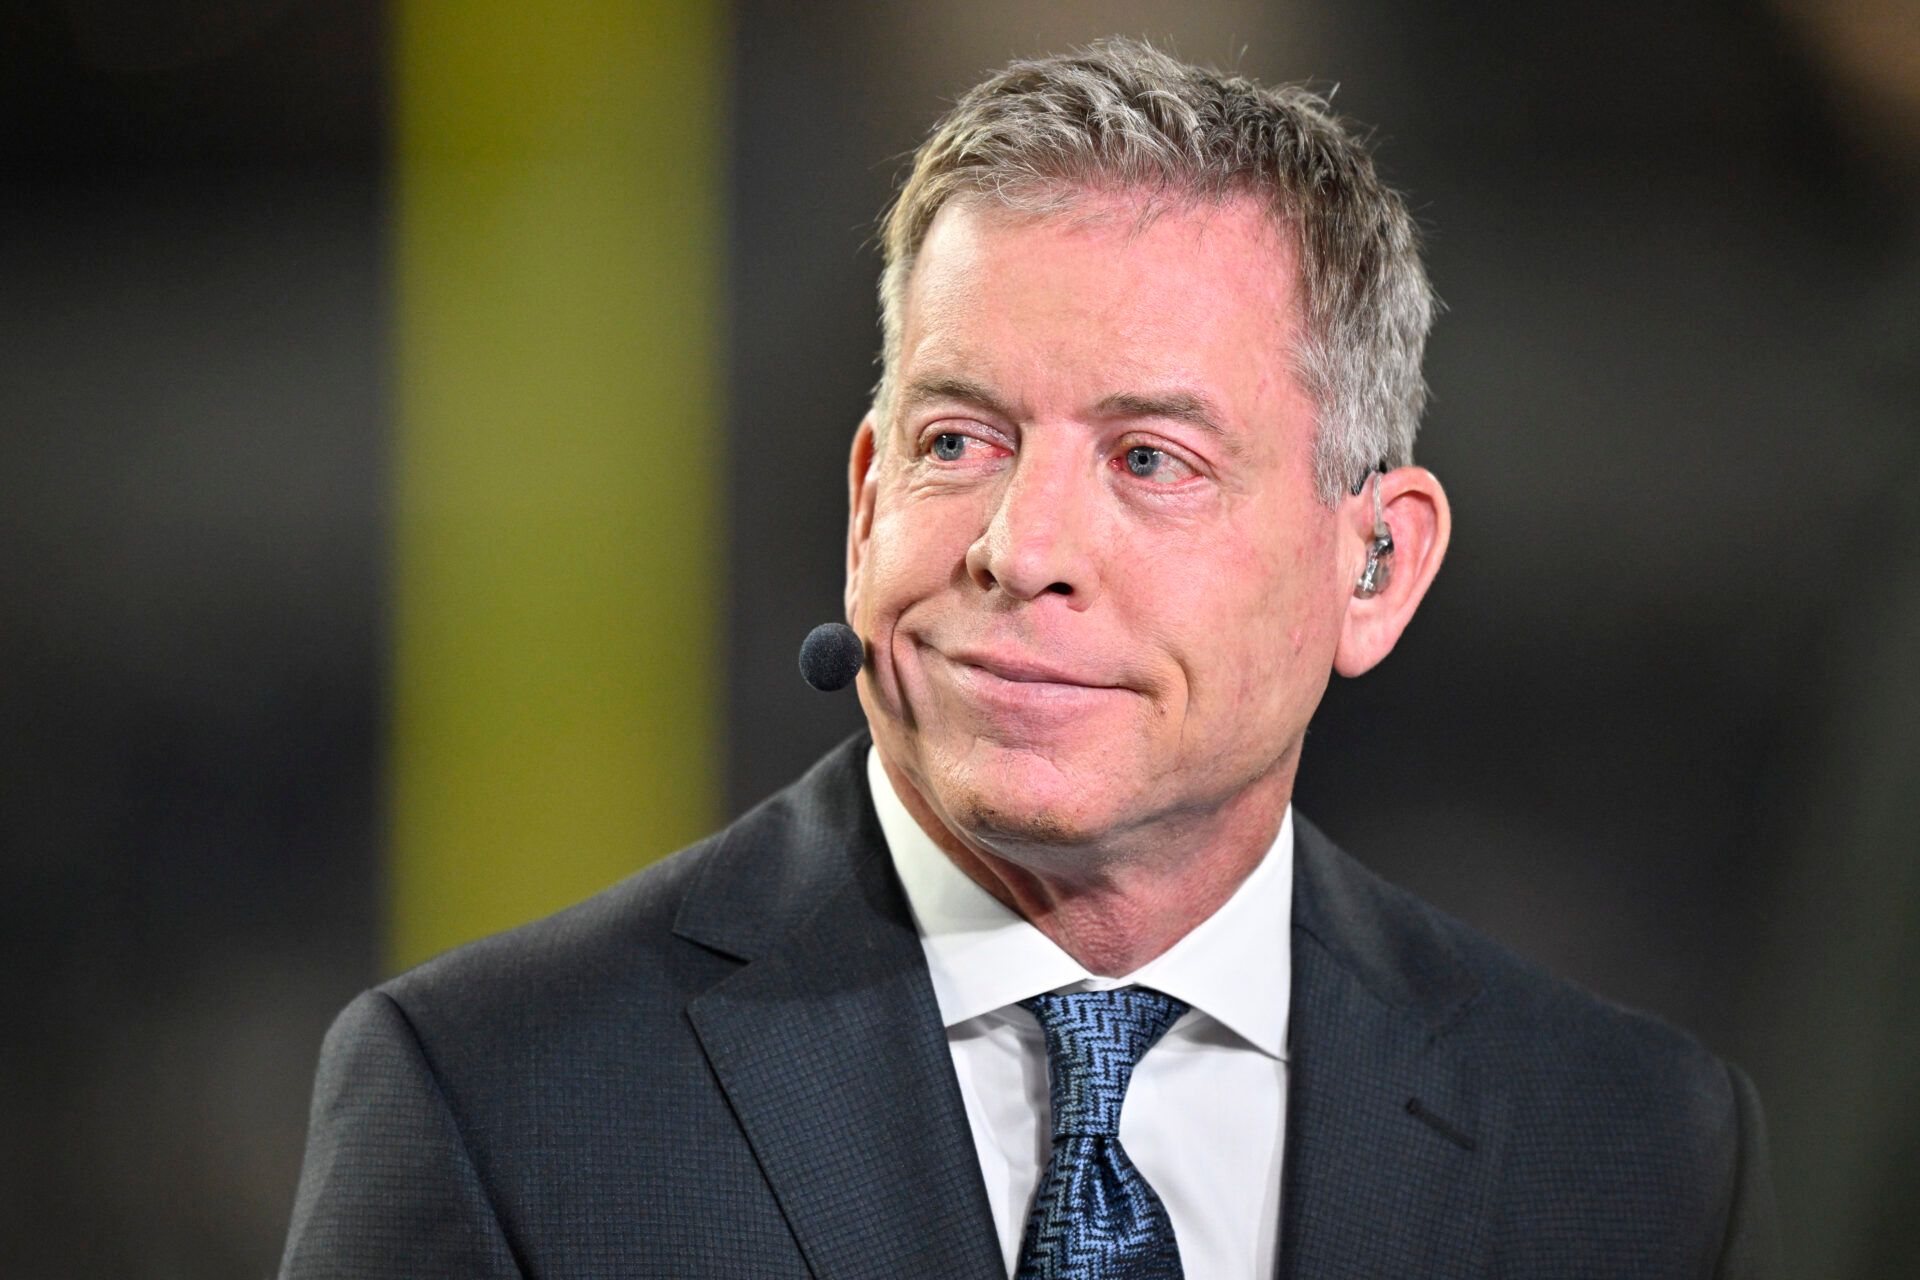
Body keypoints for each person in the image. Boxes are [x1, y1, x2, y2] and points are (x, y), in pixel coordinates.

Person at [280, 39, 1780, 1279]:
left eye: (1150, 457)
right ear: (868, 505)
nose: (1020, 541)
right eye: (958, 441)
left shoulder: (1633, 1149)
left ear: (1373, 563)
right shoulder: (493, 1106)